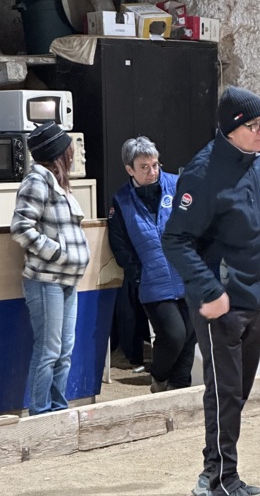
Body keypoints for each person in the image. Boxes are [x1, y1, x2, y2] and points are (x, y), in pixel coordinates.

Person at [162, 86, 260, 496]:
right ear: (231, 129)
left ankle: (212, 471)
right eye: (255, 125)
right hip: (220, 303)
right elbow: (175, 240)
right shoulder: (202, 174)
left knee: (238, 393)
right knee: (225, 393)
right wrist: (210, 291)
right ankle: (220, 483)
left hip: (257, 294)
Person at [10, 121, 90, 416]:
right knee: (49, 351)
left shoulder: (60, 185)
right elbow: (21, 227)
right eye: (70, 148)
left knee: (64, 352)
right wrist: (58, 252)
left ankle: (57, 412)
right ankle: (41, 414)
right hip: (46, 280)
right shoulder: (36, 182)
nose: (74, 153)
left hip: (67, 279)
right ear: (60, 153)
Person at [108, 136, 196, 392]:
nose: (152, 171)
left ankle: (180, 389)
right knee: (174, 335)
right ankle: (158, 378)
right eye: (144, 167)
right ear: (130, 169)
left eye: (155, 165)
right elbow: (120, 244)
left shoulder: (178, 185)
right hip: (153, 281)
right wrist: (139, 273)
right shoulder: (122, 200)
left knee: (190, 337)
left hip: (187, 275)